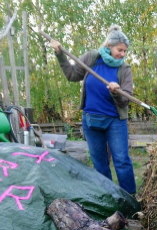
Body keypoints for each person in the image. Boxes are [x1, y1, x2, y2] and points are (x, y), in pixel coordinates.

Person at [49, 25, 137, 195]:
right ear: (109, 46)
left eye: (125, 51)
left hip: (115, 122)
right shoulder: (91, 58)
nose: (123, 54)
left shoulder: (124, 69)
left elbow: (126, 99)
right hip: (91, 120)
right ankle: (108, 196)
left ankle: (130, 199)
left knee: (121, 161)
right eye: (120, 50)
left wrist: (117, 92)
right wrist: (60, 54)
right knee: (99, 163)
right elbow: (72, 75)